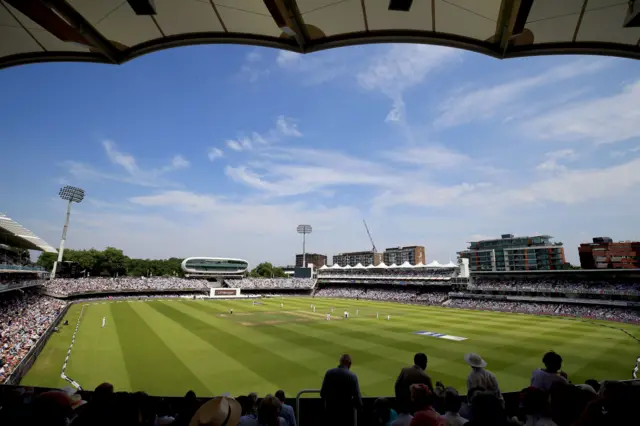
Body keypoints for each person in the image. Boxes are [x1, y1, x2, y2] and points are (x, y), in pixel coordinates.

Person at [320, 354, 362, 426]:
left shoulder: (329, 373)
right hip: (346, 415)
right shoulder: (352, 376)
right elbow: (357, 400)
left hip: (330, 414)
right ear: (349, 364)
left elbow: (322, 394)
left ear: (340, 362)